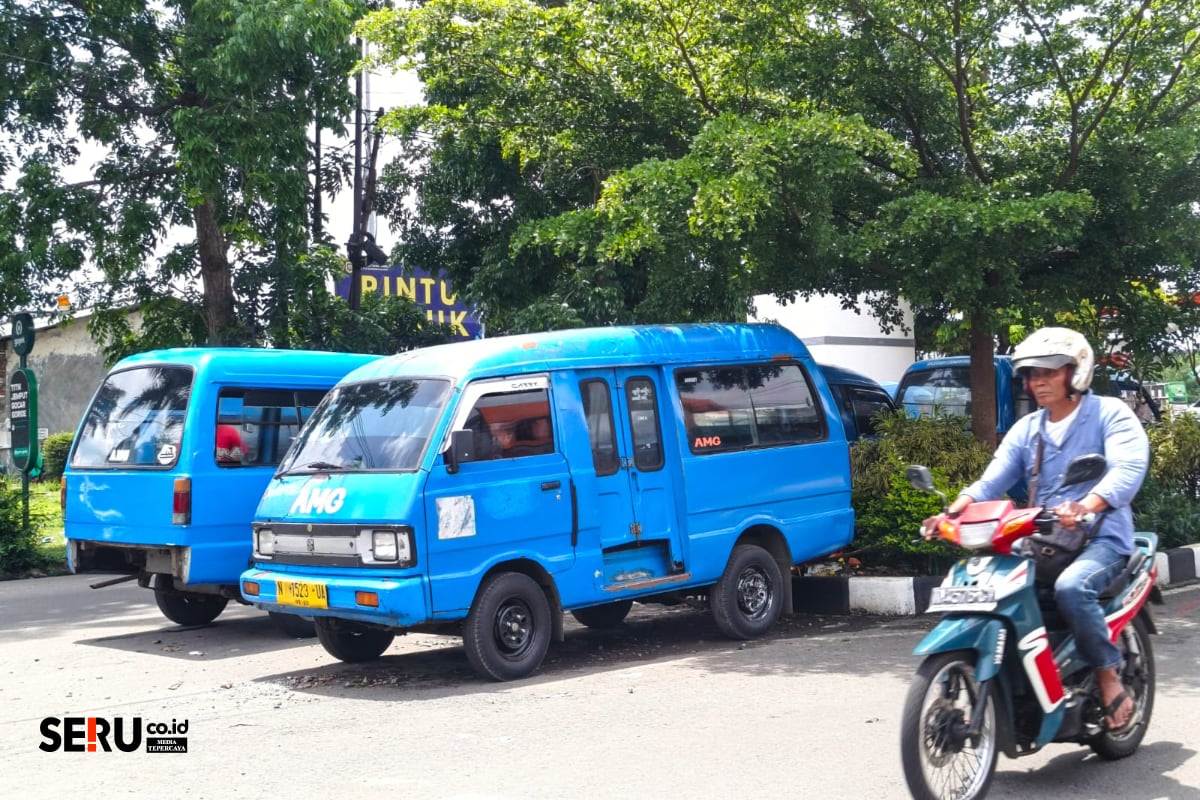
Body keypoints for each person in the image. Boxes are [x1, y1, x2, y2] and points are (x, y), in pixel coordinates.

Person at [921, 327, 1149, 733]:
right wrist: (950, 514)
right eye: (1031, 374)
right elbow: (990, 480)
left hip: (1101, 538)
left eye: (1048, 372)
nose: (1037, 382)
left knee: (1072, 588)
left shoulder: (1111, 414)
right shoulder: (1028, 429)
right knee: (991, 585)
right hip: (1044, 539)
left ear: (1075, 372)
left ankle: (1108, 677)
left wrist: (1086, 505)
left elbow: (1127, 470)